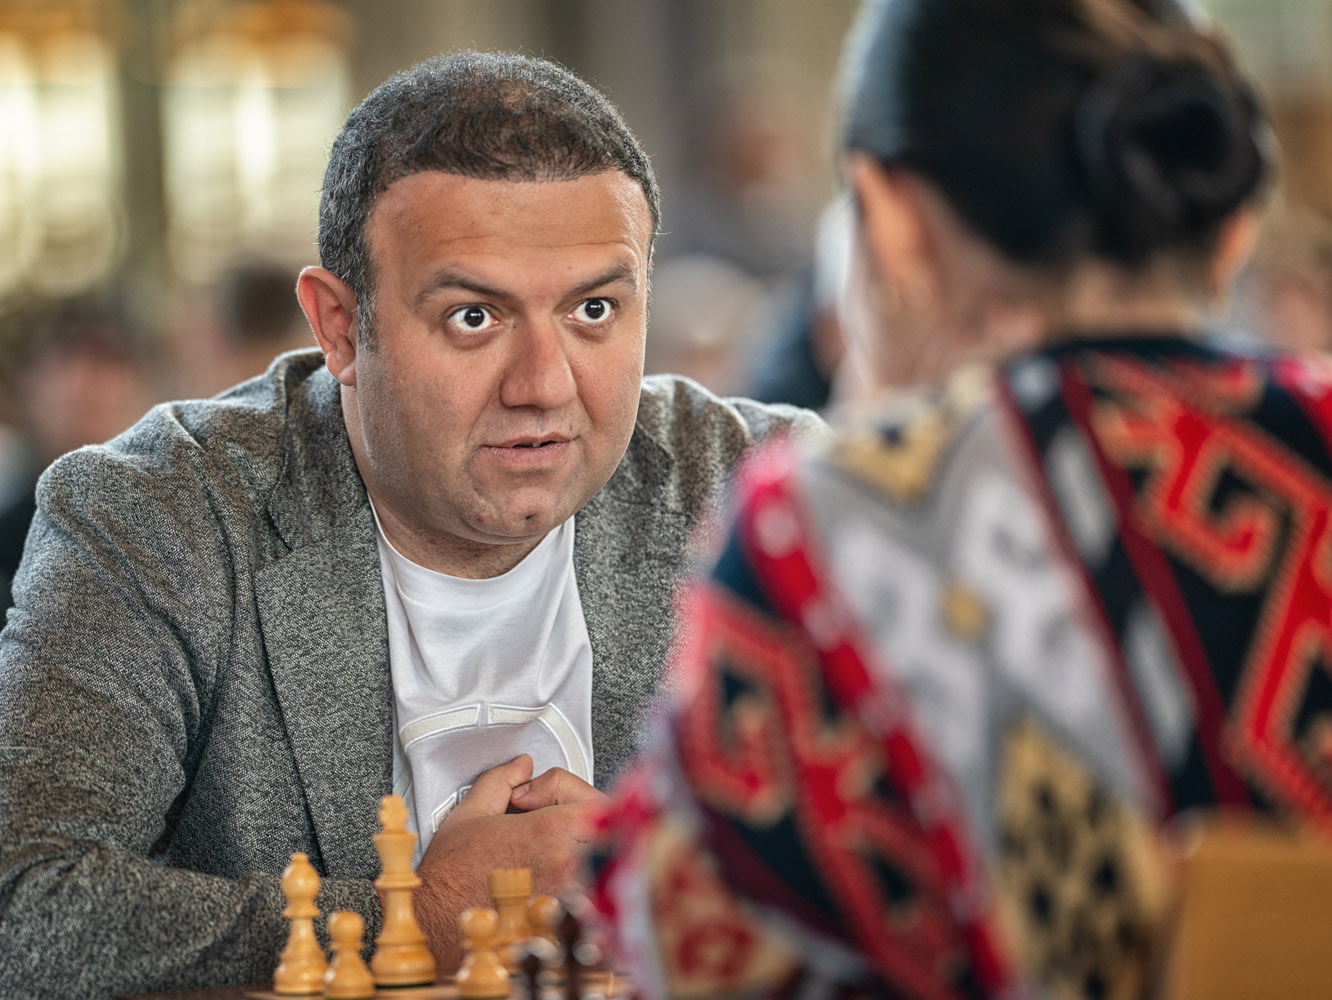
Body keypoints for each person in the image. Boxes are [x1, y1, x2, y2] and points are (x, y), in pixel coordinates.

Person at [0, 51, 824, 998]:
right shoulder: (159, 518)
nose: (544, 386)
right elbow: (25, 905)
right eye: (474, 317)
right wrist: (417, 918)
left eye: (594, 309)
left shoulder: (773, 492)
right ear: (339, 328)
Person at [587, 2, 1321, 998]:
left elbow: (667, 955)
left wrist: (897, 465)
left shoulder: (830, 525)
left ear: (890, 222)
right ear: (1229, 227)